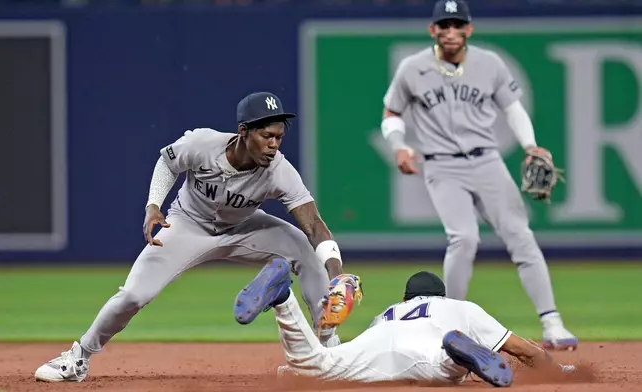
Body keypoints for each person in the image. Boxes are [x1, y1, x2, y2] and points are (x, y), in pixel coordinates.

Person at [34, 91, 362, 383]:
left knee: (303, 248)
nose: (274, 144)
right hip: (187, 226)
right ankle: (79, 357)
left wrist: (338, 275)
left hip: (245, 229)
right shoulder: (203, 144)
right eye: (266, 135)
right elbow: (167, 163)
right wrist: (153, 206)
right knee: (133, 295)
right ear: (243, 132)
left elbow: (315, 225)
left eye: (279, 136)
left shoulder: (280, 171)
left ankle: (329, 346)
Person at [379, 0, 577, 350]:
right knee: (464, 238)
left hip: (487, 161)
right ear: (432, 30)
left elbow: (512, 108)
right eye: (444, 25)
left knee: (521, 236)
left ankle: (553, 323)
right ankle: (451, 326)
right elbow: (391, 111)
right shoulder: (413, 67)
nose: (451, 32)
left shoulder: (489, 63)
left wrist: (530, 145)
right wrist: (398, 145)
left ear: (469, 29)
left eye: (458, 25)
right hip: (442, 165)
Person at [235, 258, 576, 387]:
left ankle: (283, 298)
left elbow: (354, 356)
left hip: (375, 345)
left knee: (316, 364)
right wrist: (555, 371)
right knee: (441, 368)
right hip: (430, 347)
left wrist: (328, 331)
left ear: (405, 299)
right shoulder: (461, 308)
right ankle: (456, 352)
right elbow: (521, 350)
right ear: (441, 296)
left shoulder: (388, 314)